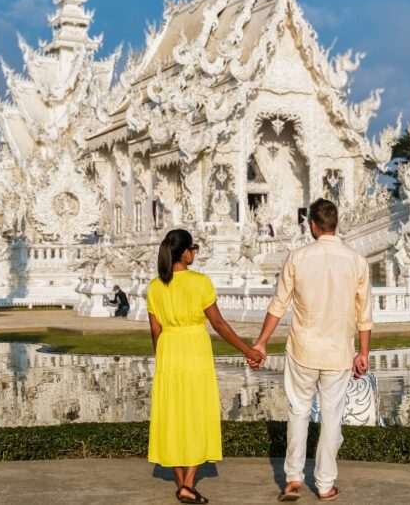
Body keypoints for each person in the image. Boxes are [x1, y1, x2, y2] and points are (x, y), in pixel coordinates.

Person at [252, 198, 372, 502]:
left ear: (313, 225)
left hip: (303, 350)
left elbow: (278, 305)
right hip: (338, 352)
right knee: (331, 418)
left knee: (298, 412)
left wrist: (262, 341)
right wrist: (363, 353)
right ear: (335, 223)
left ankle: (293, 478)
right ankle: (325, 484)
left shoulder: (298, 257)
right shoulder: (356, 261)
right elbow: (365, 314)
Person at [148, 228, 265, 504]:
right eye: (193, 248)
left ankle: (182, 484)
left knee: (172, 415)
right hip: (194, 350)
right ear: (185, 253)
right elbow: (219, 324)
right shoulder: (200, 282)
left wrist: (163, 356)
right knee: (197, 412)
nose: (195, 253)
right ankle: (188, 484)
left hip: (168, 351)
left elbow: (155, 330)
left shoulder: (155, 286)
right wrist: (248, 350)